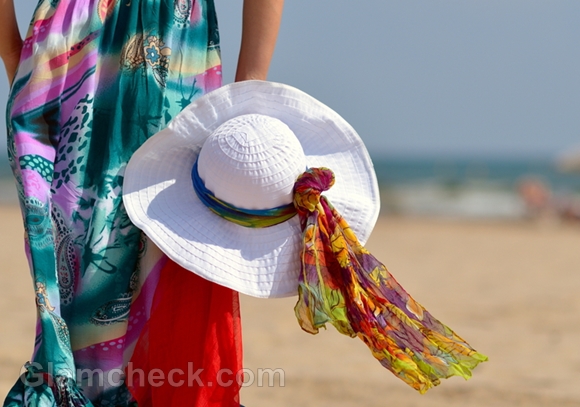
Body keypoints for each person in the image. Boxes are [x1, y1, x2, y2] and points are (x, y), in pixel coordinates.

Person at [0, 1, 284, 406]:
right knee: (72, 300)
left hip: (171, 54)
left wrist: (247, 94)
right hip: (71, 54)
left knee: (172, 266)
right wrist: (15, 52)